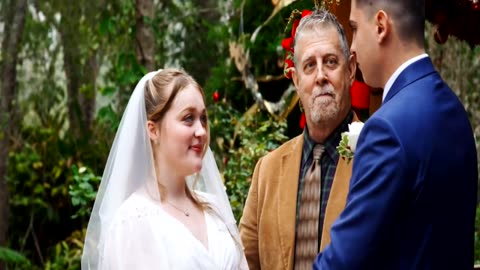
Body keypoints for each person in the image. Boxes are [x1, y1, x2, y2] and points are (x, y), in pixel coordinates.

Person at [314, 0, 478, 269]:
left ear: (380, 26)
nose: (352, 47)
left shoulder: (386, 130)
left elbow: (343, 262)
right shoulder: (456, 113)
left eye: (354, 28)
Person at [81, 68, 248, 270]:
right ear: (153, 130)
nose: (201, 131)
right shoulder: (131, 223)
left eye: (203, 118)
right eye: (188, 118)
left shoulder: (213, 208)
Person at [240, 9, 359, 270]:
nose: (320, 76)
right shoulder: (267, 172)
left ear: (350, 69)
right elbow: (242, 264)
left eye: (330, 62)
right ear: (295, 79)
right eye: (309, 66)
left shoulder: (376, 153)